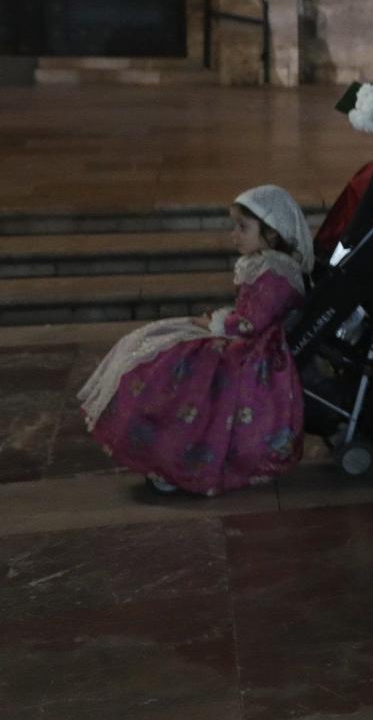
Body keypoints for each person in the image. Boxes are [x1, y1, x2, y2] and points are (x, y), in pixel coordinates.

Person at [77, 186, 312, 495]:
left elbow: (250, 323)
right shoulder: (264, 265)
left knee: (185, 366)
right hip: (244, 336)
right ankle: (166, 452)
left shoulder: (275, 271)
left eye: (243, 227)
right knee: (160, 344)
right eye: (235, 226)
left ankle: (179, 457)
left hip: (255, 350)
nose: (234, 235)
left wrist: (213, 322)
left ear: (271, 232)